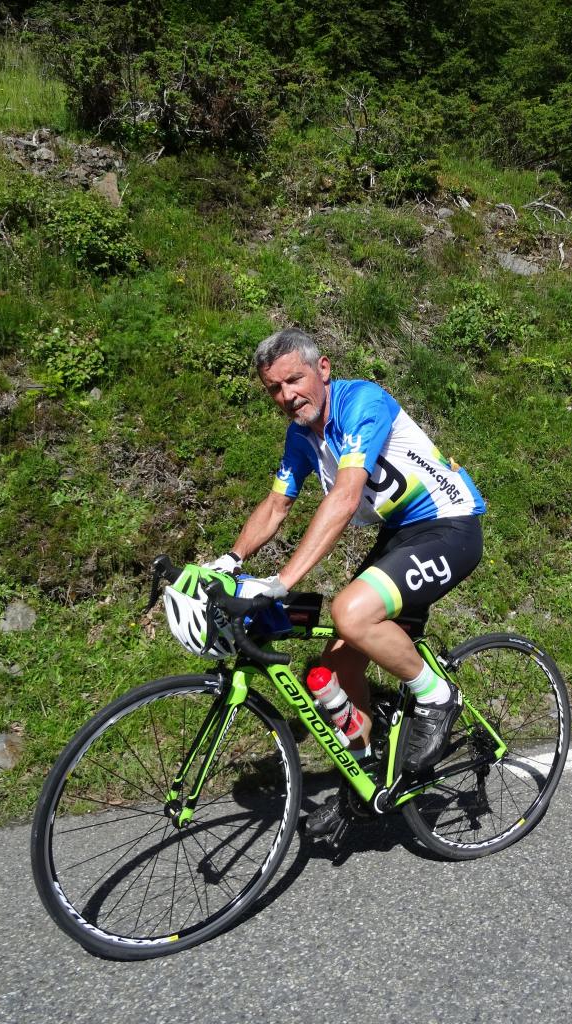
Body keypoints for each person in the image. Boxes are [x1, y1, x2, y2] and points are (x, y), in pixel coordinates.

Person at [207, 327, 485, 835]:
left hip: (450, 525)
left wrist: (283, 579)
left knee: (350, 612)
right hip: (401, 533)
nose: (287, 395)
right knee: (333, 669)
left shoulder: (362, 402)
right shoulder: (300, 436)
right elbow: (277, 504)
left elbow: (344, 496)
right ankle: (365, 781)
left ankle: (437, 696)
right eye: (274, 388)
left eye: (294, 379)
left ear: (323, 369)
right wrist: (229, 560)